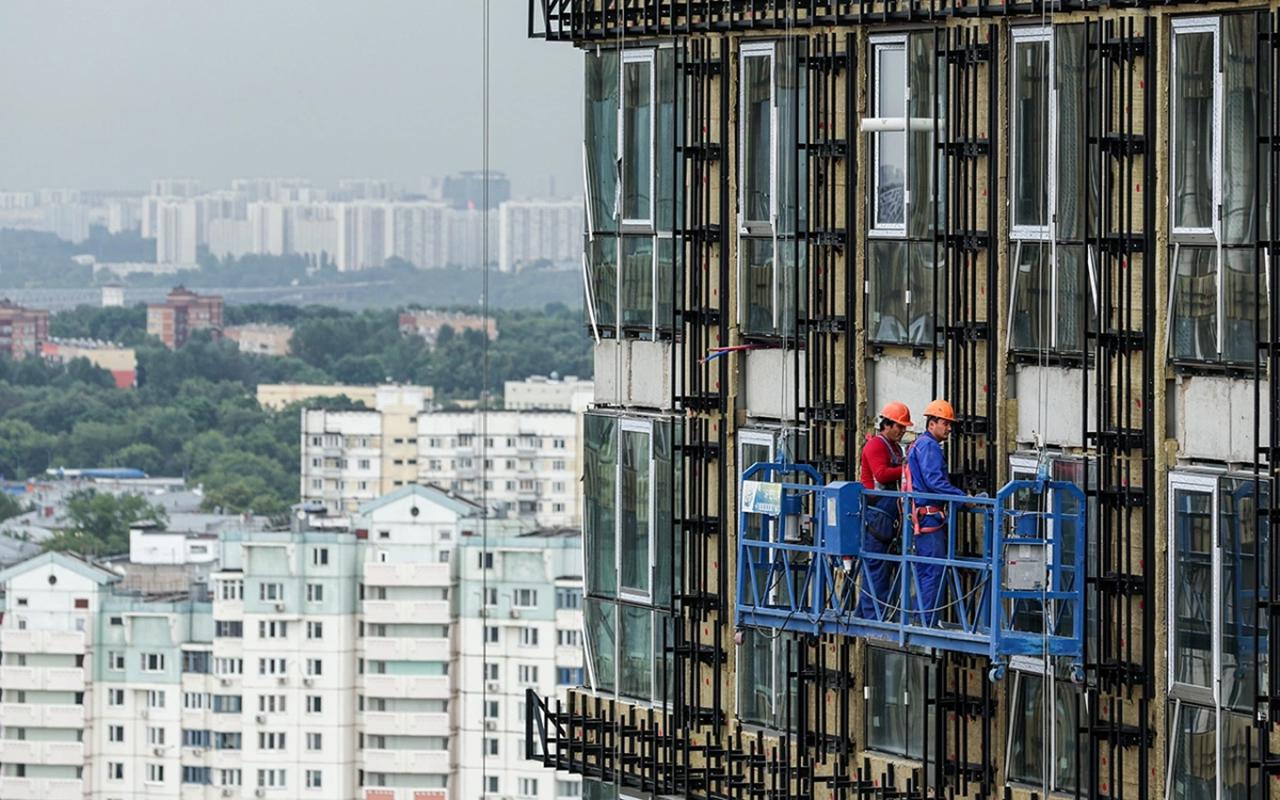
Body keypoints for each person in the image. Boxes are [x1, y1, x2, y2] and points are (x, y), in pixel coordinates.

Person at [905, 399, 969, 627]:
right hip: (928, 518)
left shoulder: (918, 444)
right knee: (933, 569)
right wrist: (963, 499)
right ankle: (926, 620)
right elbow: (935, 481)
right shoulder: (929, 446)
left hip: (921, 517)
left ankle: (919, 617)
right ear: (932, 423)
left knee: (925, 570)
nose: (949, 428)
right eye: (946, 423)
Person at [856, 401, 912, 619]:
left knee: (885, 566)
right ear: (886, 425)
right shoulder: (876, 446)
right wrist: (907, 469)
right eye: (899, 426)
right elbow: (880, 474)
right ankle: (873, 615)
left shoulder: (895, 447)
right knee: (876, 565)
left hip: (889, 514)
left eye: (904, 427)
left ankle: (871, 612)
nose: (902, 431)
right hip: (876, 513)